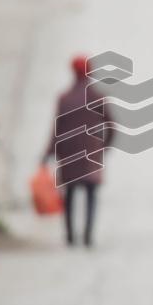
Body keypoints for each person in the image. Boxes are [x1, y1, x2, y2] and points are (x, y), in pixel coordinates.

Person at [43, 55, 111, 247]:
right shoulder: (98, 97)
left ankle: (70, 235)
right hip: (91, 154)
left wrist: (48, 153)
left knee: (69, 195)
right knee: (91, 194)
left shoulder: (65, 98)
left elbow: (57, 130)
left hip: (69, 153)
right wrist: (105, 146)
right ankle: (88, 234)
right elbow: (111, 124)